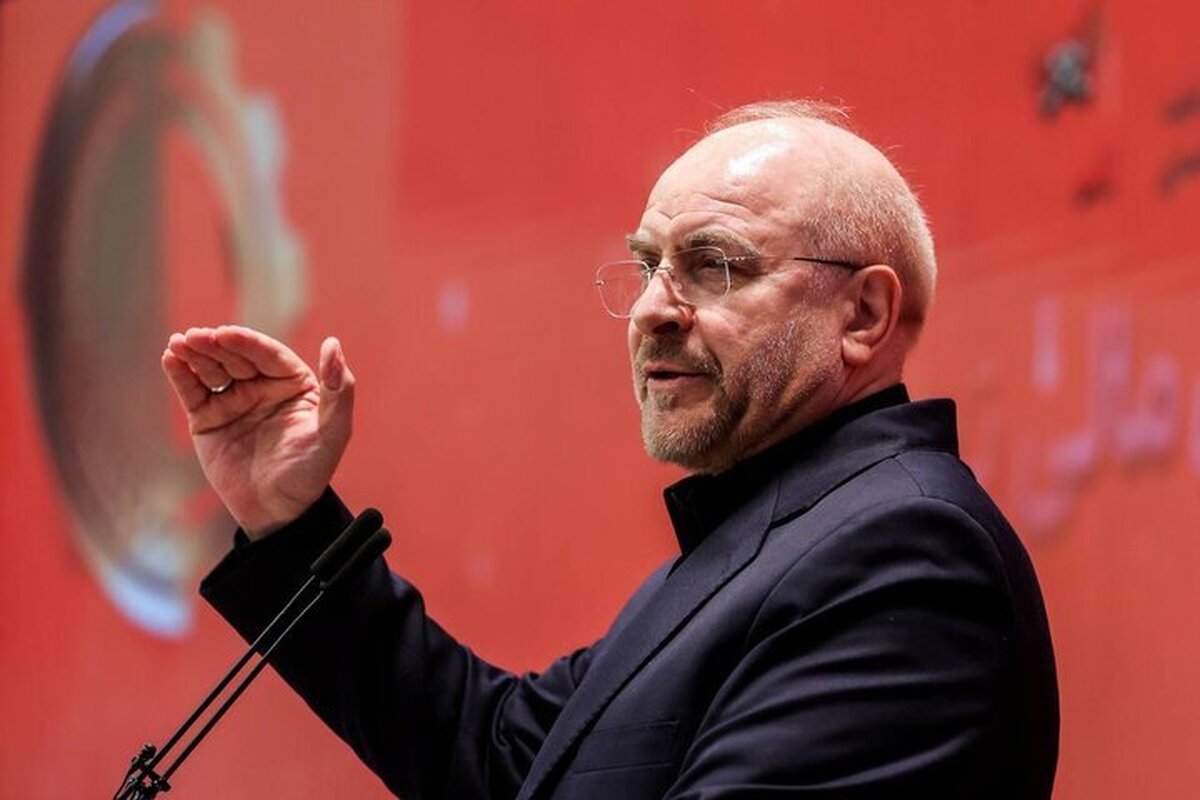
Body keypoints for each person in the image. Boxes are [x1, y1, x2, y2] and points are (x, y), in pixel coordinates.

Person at [163, 100, 1059, 799]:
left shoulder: (905, 555)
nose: (651, 310)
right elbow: (507, 763)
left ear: (861, 315)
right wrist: (292, 523)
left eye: (715, 265)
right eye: (647, 265)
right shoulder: (770, 542)